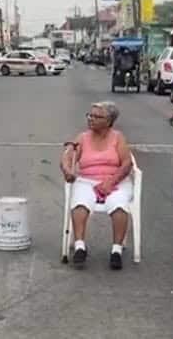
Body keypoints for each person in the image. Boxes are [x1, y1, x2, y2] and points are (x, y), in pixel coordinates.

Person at [60, 101, 133, 270]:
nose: (91, 119)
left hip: (115, 180)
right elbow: (67, 157)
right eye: (90, 115)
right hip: (87, 180)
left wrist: (112, 181)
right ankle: (79, 247)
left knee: (119, 205)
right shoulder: (83, 137)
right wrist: (67, 170)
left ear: (109, 121)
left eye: (96, 116)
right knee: (80, 203)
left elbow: (127, 163)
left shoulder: (118, 137)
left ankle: (116, 251)